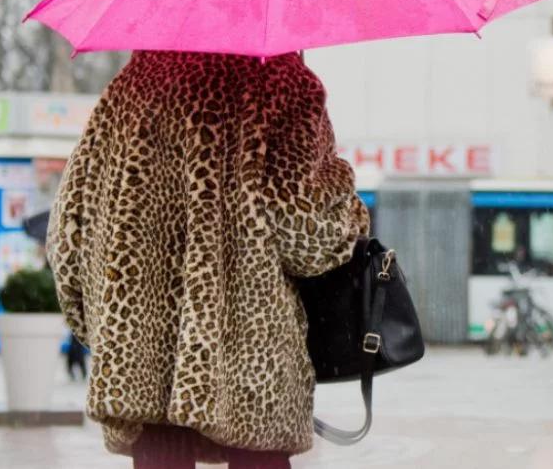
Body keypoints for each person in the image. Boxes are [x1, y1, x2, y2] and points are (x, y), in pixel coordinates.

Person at [46, 51, 369, 469]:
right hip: (249, 346)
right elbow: (304, 236)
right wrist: (349, 208)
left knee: (162, 453)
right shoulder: (283, 82)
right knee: (257, 456)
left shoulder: (131, 86)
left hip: (139, 339)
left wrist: (103, 325)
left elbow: (70, 228)